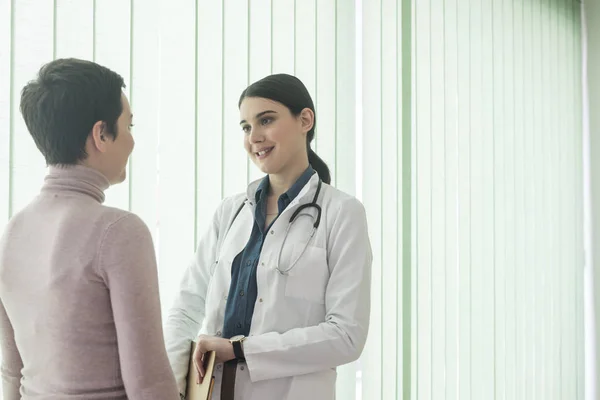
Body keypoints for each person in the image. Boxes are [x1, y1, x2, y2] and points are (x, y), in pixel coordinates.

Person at [164, 74, 373, 400]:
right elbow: (186, 309)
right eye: (246, 127)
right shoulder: (231, 211)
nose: (254, 137)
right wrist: (170, 386)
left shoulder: (342, 213)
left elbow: (347, 335)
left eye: (266, 120)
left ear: (305, 120)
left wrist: (243, 350)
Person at [0, 58, 179, 399]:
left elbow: (12, 373)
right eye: (129, 126)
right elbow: (149, 382)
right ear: (101, 134)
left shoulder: (12, 232)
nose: (131, 142)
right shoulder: (120, 232)